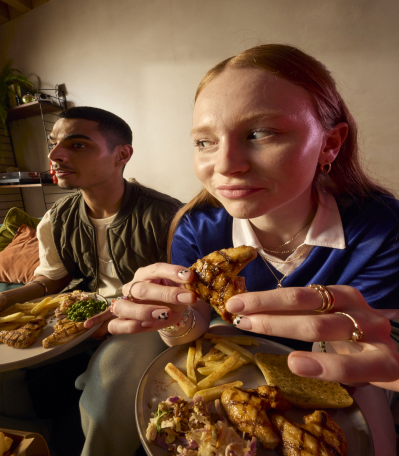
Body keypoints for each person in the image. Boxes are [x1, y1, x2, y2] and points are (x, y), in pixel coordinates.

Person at [91, 45, 399, 455]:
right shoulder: (197, 226)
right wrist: (171, 315)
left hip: (347, 377)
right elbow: (193, 325)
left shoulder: (380, 226)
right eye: (204, 141)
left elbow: (366, 349)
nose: (225, 164)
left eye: (260, 133)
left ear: (329, 144)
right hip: (235, 375)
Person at [0, 106, 181, 455]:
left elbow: (180, 295)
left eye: (78, 145)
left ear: (121, 155)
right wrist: (11, 298)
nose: (54, 155)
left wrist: (123, 311)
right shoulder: (56, 218)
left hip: (140, 321)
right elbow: (50, 279)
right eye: (53, 143)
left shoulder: (168, 216)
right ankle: (33, 437)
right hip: (77, 311)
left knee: (108, 388)